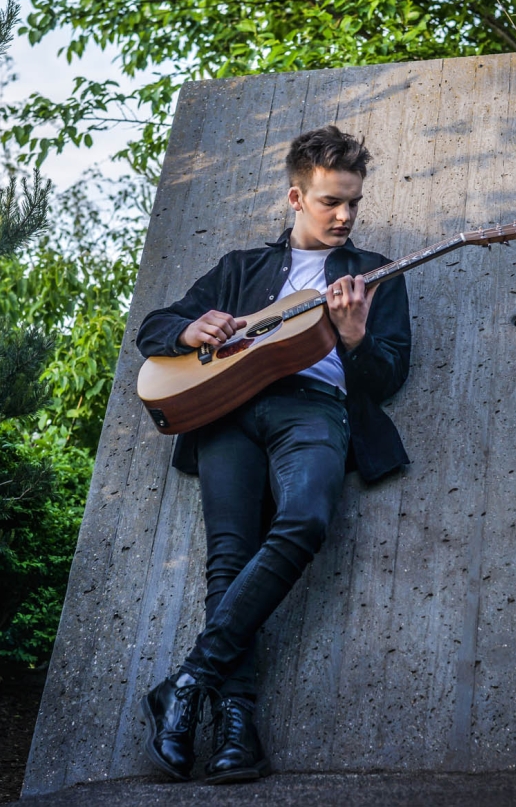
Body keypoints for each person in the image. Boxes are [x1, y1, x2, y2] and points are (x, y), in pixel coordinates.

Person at [134, 125, 412, 784]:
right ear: (295, 196)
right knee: (227, 561)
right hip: (226, 413)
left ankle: (186, 682)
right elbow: (153, 329)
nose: (343, 216)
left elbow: (387, 377)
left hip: (313, 412)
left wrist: (351, 338)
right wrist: (188, 327)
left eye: (352, 203)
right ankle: (236, 731)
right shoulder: (239, 269)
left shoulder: (376, 277)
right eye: (329, 202)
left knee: (305, 520)